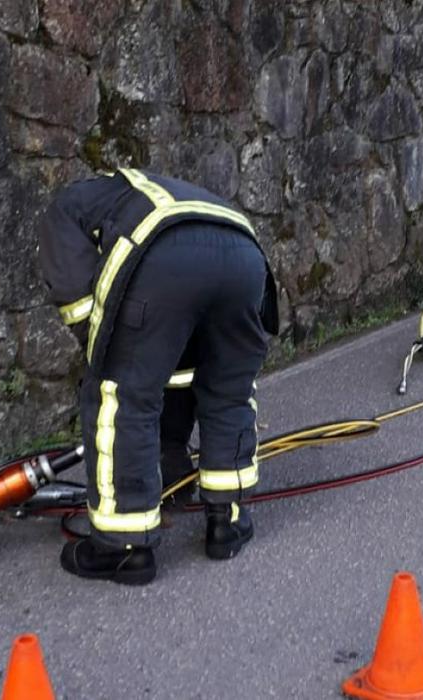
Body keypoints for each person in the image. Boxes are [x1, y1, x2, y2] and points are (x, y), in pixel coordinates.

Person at [38, 168, 279, 585]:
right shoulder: (156, 192)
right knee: (228, 391)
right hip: (246, 256)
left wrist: (102, 346)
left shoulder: (68, 205)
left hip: (165, 252)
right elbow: (178, 359)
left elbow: (75, 293)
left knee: (121, 394)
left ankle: (122, 548)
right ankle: (229, 522)